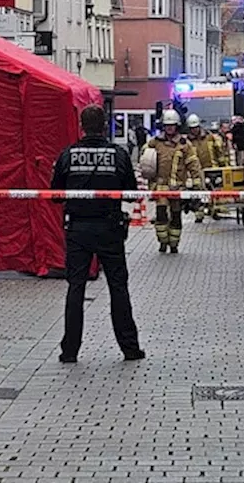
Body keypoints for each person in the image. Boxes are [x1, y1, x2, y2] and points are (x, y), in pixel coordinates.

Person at [50, 104, 145, 364]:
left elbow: (55, 196)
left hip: (78, 229)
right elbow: (132, 193)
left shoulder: (68, 155)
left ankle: (70, 351)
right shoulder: (119, 155)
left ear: (82, 126)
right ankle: (130, 348)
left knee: (75, 288)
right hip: (110, 229)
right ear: (105, 126)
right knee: (118, 287)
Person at [139, 109, 204, 253]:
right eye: (167, 125)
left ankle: (174, 244)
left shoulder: (184, 144)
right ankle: (162, 242)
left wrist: (197, 184)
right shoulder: (155, 142)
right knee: (161, 214)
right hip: (160, 186)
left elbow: (193, 164)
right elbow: (144, 159)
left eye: (172, 125)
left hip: (177, 188)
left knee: (176, 215)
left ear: (177, 125)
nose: (169, 127)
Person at [185, 114, 225, 223]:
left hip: (212, 168)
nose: (194, 130)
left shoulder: (209, 136)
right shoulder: (188, 141)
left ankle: (214, 211)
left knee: (213, 191)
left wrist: (222, 166)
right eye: (192, 128)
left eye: (196, 127)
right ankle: (199, 214)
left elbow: (218, 151)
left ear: (199, 126)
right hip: (197, 171)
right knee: (198, 192)